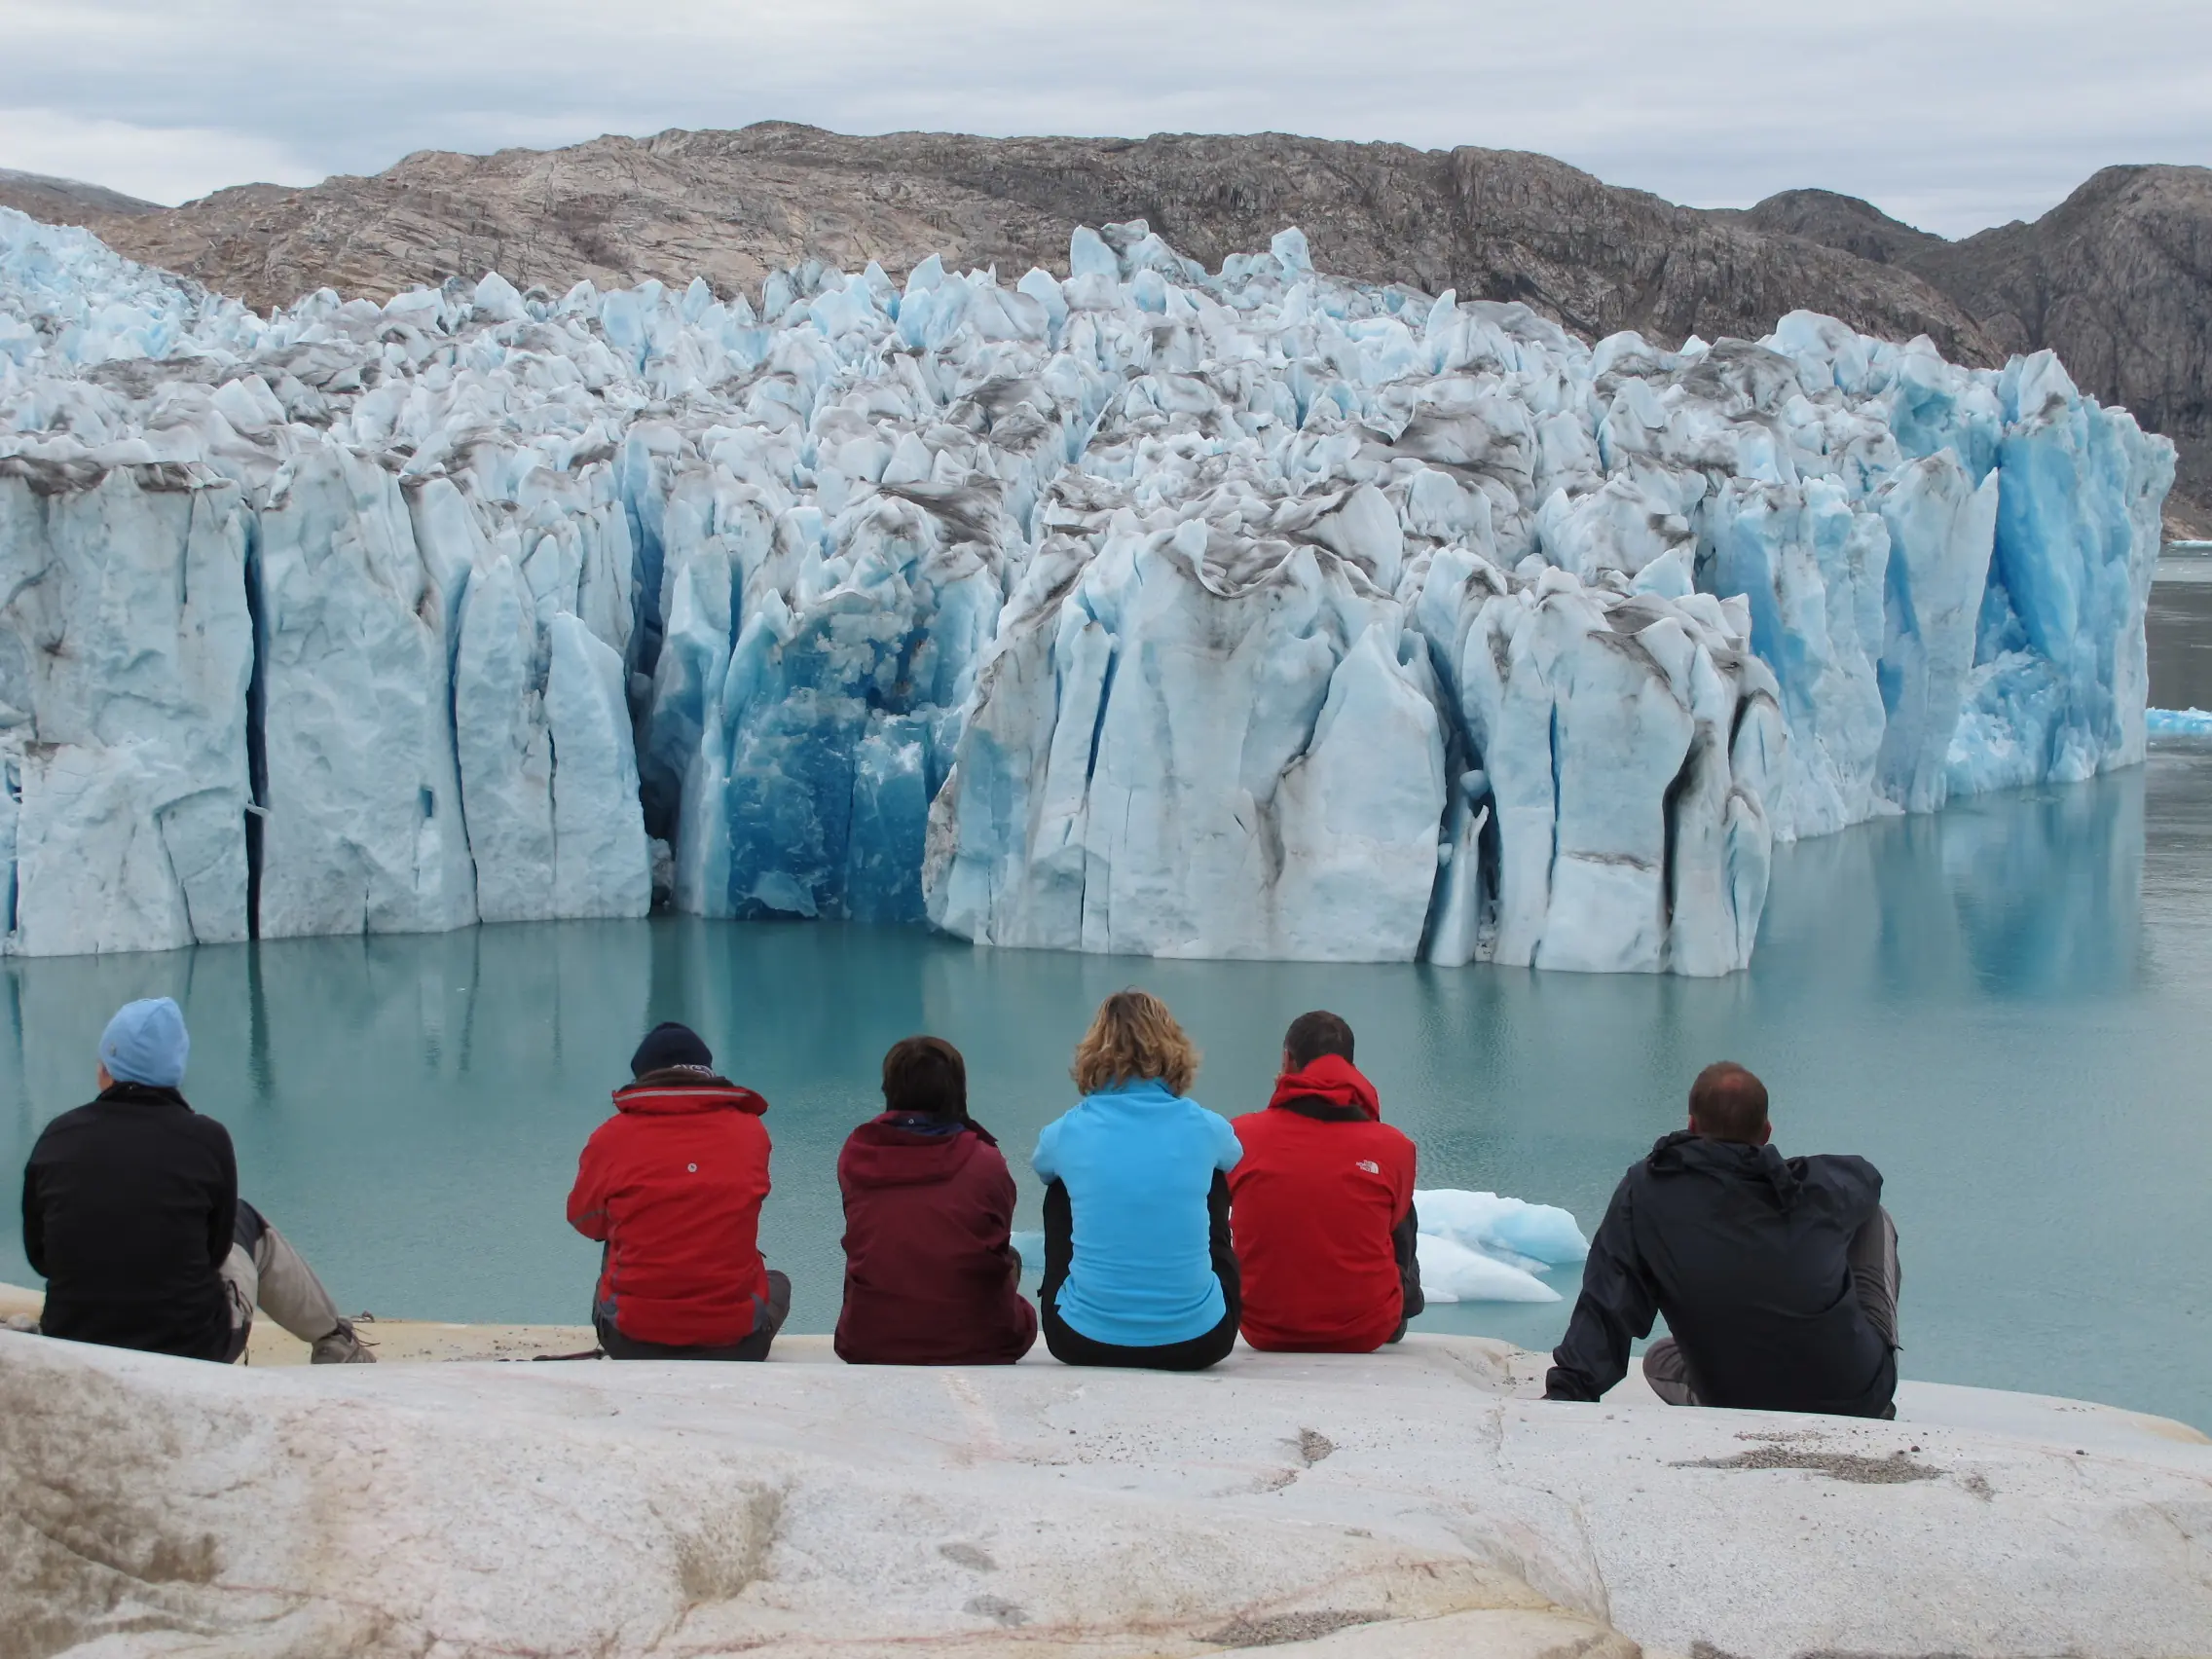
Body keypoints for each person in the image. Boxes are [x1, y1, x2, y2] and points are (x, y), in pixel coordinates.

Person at [20, 997, 374, 1365]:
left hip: (74, 1341)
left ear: (106, 1070)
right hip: (194, 1348)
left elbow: (41, 1256)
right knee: (244, 1221)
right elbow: (216, 1251)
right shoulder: (207, 1139)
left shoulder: (57, 1137)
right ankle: (336, 1342)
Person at [1544, 1061, 1901, 1419]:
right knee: (1872, 1215)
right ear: (1767, 1132)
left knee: (1658, 1360)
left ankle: (1723, 1392)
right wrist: (1774, 1175)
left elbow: (1608, 1299)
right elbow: (1866, 1178)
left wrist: (1570, 1388)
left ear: (1691, 1125)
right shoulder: (1813, 1190)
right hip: (1855, 1396)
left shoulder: (1649, 1190)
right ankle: (1858, 1372)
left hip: (1733, 1395)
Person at [1032, 990, 1241, 1371]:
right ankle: (1183, 1298)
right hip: (1200, 1340)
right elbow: (1234, 1154)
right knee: (1212, 1175)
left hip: (1080, 1339)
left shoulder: (1065, 1132)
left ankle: (1091, 1302)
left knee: (1061, 1184)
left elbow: (1041, 1166)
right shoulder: (1206, 1126)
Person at [568, 1020, 790, 1361]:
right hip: (738, 1343)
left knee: (617, 1237)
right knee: (777, 1283)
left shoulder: (610, 1137)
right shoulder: (751, 1132)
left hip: (631, 1340)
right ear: (706, 1071)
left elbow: (586, 1221)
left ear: (643, 1077)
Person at [833, 1036, 1037, 1365]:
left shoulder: (856, 1154)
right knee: (1010, 1259)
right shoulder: (985, 1161)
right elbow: (996, 1239)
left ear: (890, 1089)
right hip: (979, 1343)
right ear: (956, 1091)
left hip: (868, 1340)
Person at [1228, 1012, 1422, 1352]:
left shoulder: (1240, 1135)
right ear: (1351, 1068)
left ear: (1286, 1061)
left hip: (1264, 1327)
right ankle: (1398, 1303)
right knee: (1393, 1193)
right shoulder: (1395, 1146)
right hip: (1367, 1329)